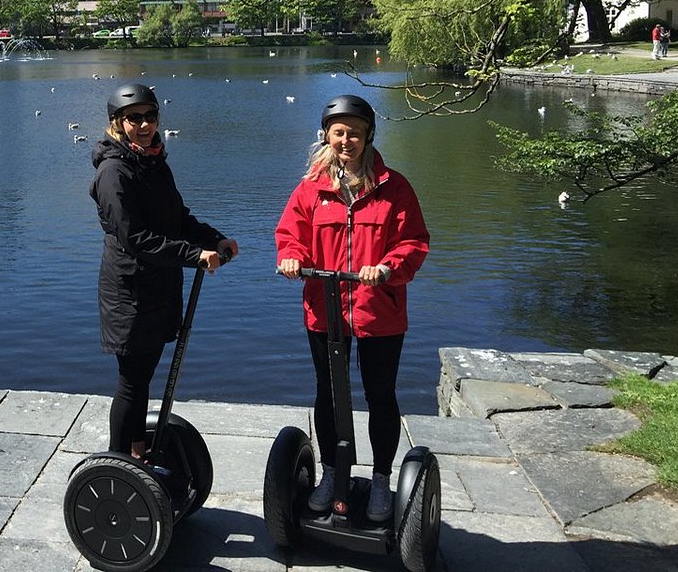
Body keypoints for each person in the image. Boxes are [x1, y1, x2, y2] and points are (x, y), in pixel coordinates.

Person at [275, 94, 429, 522]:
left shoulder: (394, 188)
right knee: (328, 394)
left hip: (379, 309)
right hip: (325, 309)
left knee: (380, 394)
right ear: (327, 135)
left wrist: (388, 266)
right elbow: (290, 233)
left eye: (354, 133)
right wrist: (291, 256)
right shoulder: (312, 188)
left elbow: (415, 242)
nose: (346, 140)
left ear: (368, 137)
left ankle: (380, 479)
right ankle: (330, 472)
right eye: (339, 132)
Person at [90, 83, 238, 460]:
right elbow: (135, 237)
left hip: (158, 285)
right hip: (131, 292)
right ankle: (118, 463)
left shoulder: (153, 161)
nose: (144, 125)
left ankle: (138, 454)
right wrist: (195, 255)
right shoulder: (114, 171)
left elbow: (178, 218)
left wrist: (215, 239)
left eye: (150, 117)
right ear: (117, 123)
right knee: (132, 381)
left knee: (143, 378)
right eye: (134, 118)